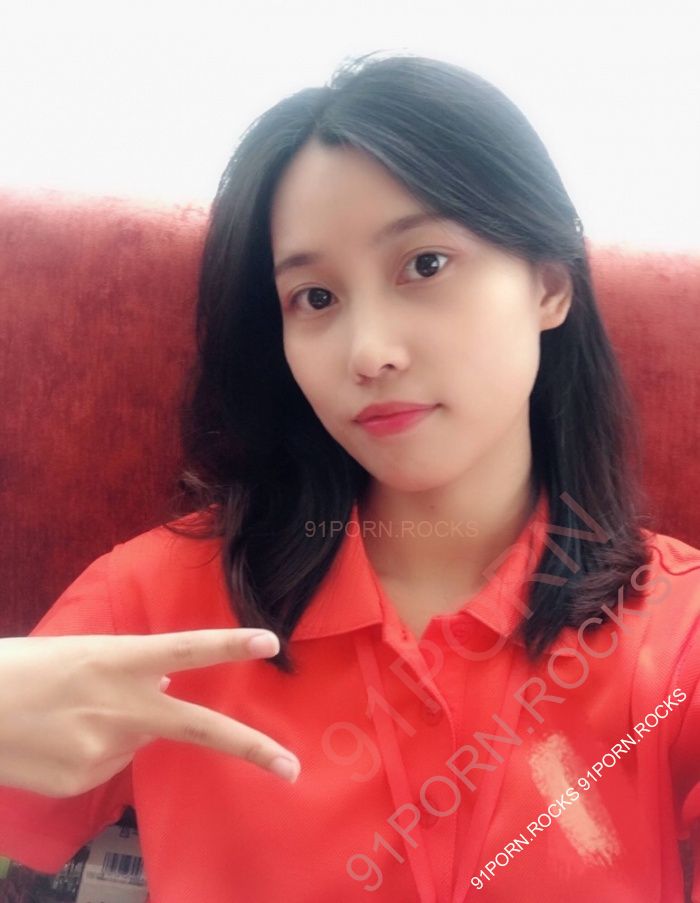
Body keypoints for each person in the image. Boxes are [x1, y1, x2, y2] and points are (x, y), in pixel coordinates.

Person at [0, 49, 698, 903]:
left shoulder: (675, 632)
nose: (368, 352)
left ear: (550, 284)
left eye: (425, 264)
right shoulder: (153, 606)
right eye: (316, 298)